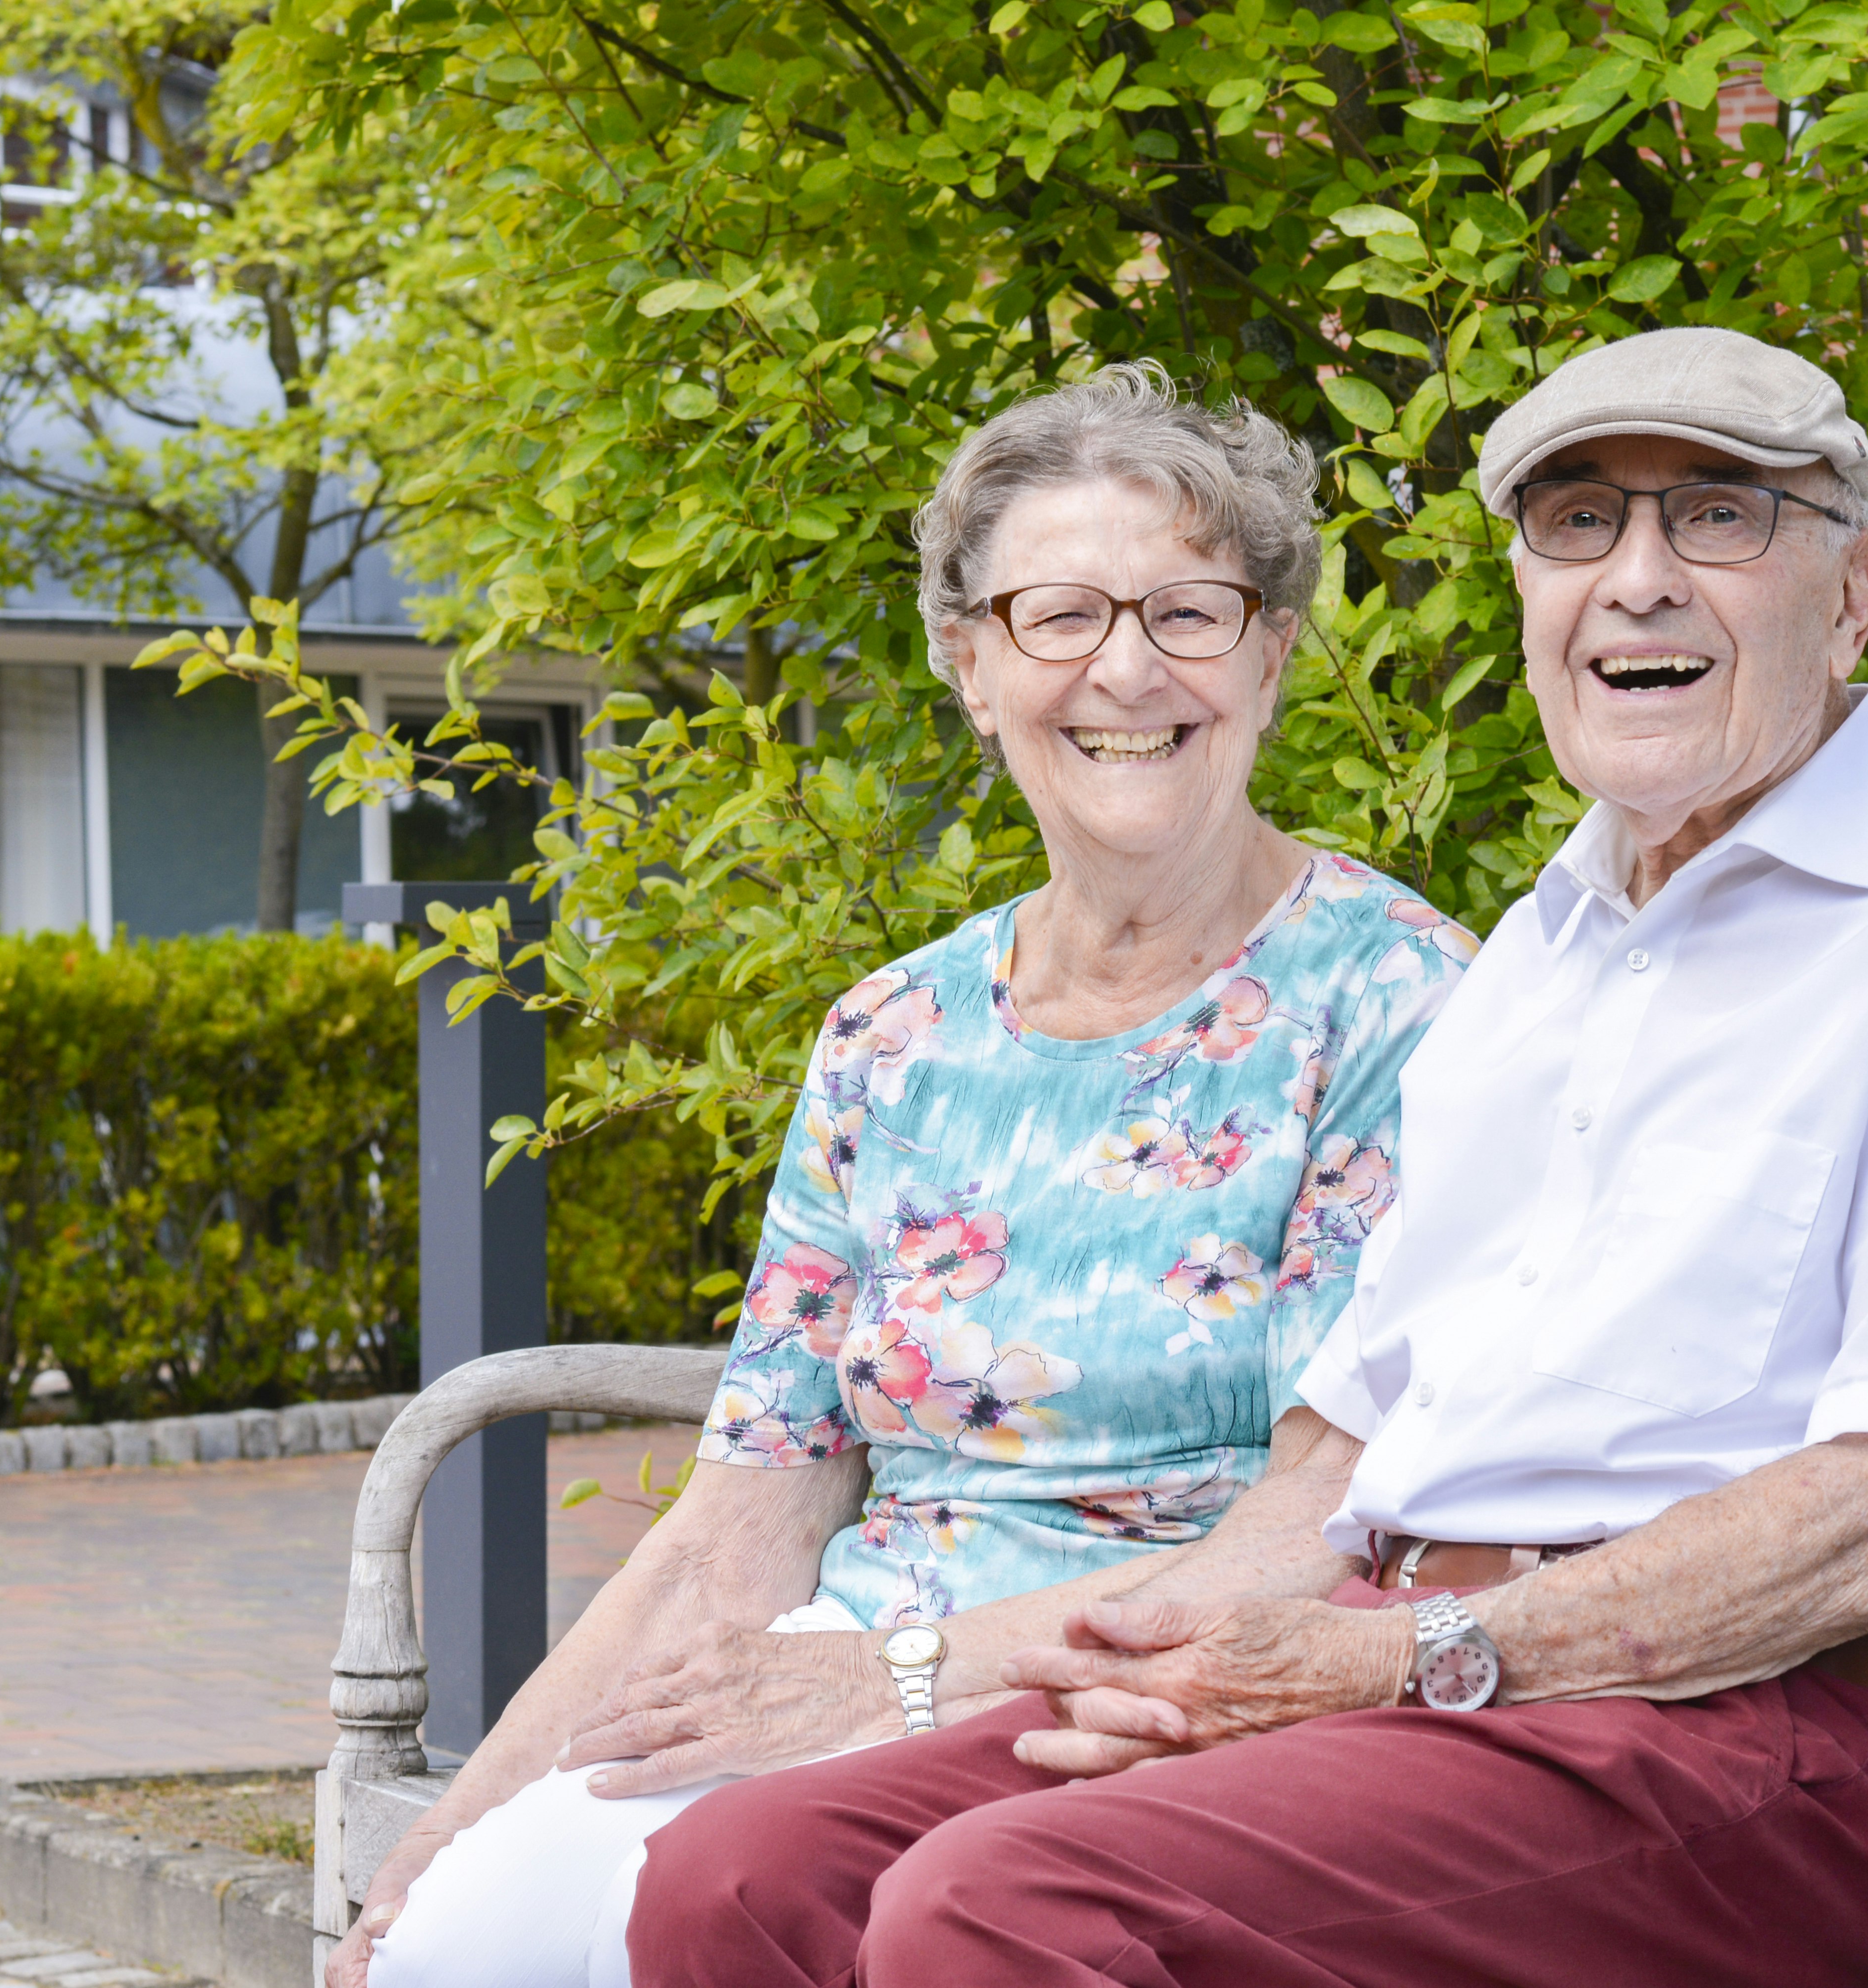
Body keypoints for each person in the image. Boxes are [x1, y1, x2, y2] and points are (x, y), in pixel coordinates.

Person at [623, 325, 1868, 1988]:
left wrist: (1403, 1667)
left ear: (1857, 585)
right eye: (1580, 524)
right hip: (1417, 1680)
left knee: (1017, 1908)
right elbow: (1343, 1464)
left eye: (1722, 518)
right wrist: (1114, 1661)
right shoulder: (1544, 954)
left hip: (1733, 1740)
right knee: (743, 1876)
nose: (1640, 580)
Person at [345, 364, 1476, 1988]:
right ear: (970, 662)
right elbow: (735, 1528)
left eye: (1189, 613)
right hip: (846, 1675)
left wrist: (907, 1681)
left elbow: (1325, 1523)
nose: (1127, 669)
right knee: (465, 1951)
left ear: (1274, 650)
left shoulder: (1394, 1001)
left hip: (1157, 1715)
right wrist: (451, 1833)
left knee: (697, 1914)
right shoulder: (891, 1033)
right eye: (1060, 615)